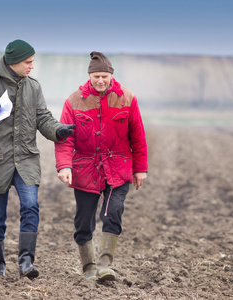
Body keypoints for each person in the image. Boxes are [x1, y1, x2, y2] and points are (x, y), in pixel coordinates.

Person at [0, 39, 75, 278]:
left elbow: (43, 117)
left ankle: (26, 263)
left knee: (31, 206)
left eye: (33, 61)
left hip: (26, 160)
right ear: (13, 62)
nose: (32, 66)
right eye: (28, 62)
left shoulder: (34, 87)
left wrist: (58, 131)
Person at [55, 51, 148, 281]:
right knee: (83, 221)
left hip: (118, 166)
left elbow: (137, 136)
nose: (100, 80)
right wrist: (64, 166)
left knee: (113, 212)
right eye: (96, 76)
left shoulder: (127, 98)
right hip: (85, 169)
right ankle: (89, 267)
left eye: (104, 76)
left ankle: (105, 264)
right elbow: (65, 138)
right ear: (89, 76)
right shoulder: (74, 101)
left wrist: (140, 168)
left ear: (110, 76)